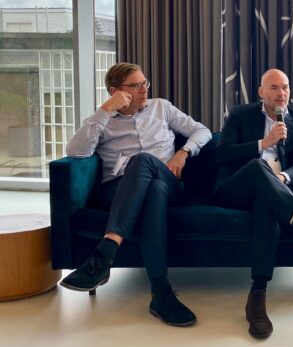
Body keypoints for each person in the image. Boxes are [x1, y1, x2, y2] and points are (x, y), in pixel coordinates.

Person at [60, 62, 212, 327]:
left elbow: (203, 131)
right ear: (115, 91)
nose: (144, 89)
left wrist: (183, 152)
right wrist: (105, 110)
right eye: (136, 85)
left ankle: (105, 252)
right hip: (119, 190)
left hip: (168, 180)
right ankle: (161, 294)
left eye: (145, 83)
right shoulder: (102, 120)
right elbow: (76, 152)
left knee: (143, 162)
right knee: (153, 190)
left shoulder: (161, 107)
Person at [212, 68, 293, 339]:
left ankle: (258, 294)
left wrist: (283, 177)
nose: (281, 93)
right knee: (258, 166)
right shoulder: (240, 115)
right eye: (274, 87)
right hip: (237, 189)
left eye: (285, 87)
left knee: (266, 203)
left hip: (276, 191)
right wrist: (264, 143)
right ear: (261, 92)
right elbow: (222, 154)